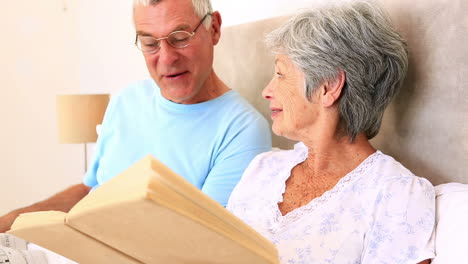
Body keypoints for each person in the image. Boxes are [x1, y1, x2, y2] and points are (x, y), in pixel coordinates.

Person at [0, 0, 271, 233]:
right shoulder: (125, 100)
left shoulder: (243, 130)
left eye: (180, 37)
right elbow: (90, 190)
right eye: (150, 43)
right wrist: (11, 221)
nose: (166, 59)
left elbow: (198, 241)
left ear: (214, 29)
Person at [227, 1, 435, 263]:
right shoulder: (263, 169)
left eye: (280, 74)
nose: (267, 91)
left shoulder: (395, 193)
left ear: (329, 86)